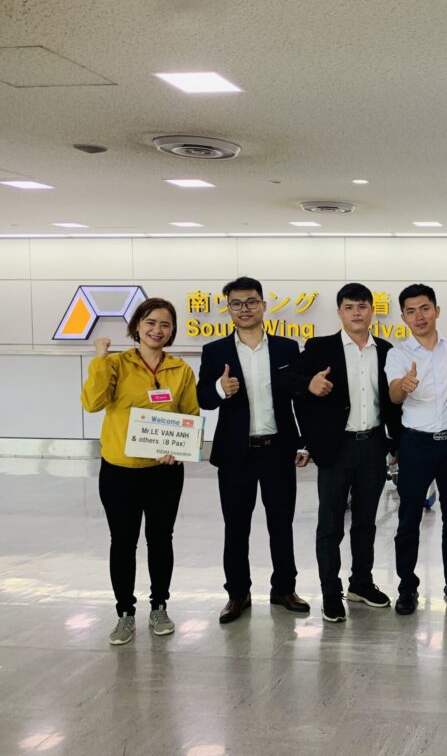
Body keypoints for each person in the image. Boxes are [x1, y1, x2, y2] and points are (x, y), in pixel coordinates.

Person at [81, 297, 200, 645]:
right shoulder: (115, 364)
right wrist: (99, 358)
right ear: (136, 326)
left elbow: (190, 416)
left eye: (165, 324)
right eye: (150, 323)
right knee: (123, 542)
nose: (157, 330)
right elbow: (92, 403)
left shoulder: (180, 369)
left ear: (172, 331)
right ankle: (125, 613)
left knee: (161, 539)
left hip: (164, 473)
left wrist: (179, 449)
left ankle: (159, 606)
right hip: (120, 471)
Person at [287, 283, 402, 622]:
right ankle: (330, 591)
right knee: (331, 524)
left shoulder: (386, 350)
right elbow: (288, 380)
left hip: (373, 446)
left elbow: (392, 402)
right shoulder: (320, 348)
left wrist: (395, 443)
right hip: (336, 449)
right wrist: (309, 385)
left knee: (366, 522)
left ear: (372, 311)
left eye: (362, 306)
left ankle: (361, 583)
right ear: (339, 312)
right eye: (349, 307)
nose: (357, 313)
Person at [196, 276, 309, 624]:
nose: (244, 309)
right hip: (236, 454)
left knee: (281, 524)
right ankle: (237, 594)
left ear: (263, 305)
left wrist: (304, 441)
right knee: (236, 527)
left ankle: (284, 589)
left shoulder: (287, 348)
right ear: (228, 308)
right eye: (236, 303)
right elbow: (203, 398)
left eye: (250, 302)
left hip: (277, 449)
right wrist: (220, 388)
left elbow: (299, 397)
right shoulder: (215, 351)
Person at [386, 283, 447, 615]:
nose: (419, 316)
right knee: (408, 518)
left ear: (436, 310)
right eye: (411, 311)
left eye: (424, 308)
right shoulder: (398, 354)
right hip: (415, 445)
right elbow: (394, 394)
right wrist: (404, 385)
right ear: (403, 317)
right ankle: (407, 587)